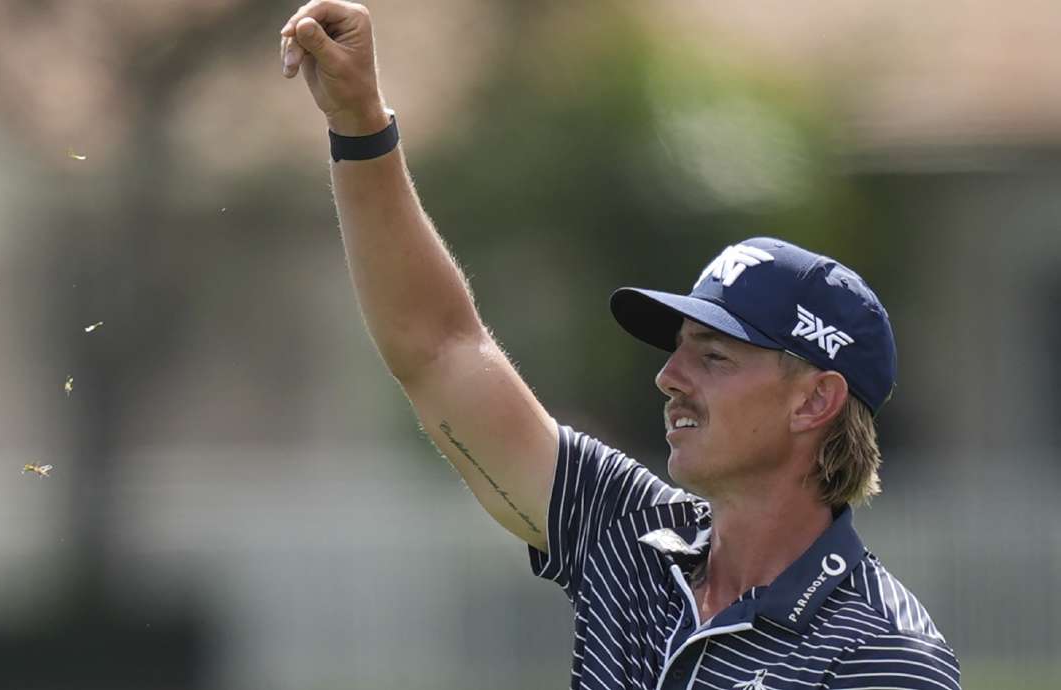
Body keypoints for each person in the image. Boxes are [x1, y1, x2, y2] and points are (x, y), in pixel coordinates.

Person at [278, 3, 961, 688]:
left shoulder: (884, 658)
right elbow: (438, 347)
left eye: (714, 355)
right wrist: (359, 123)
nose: (669, 376)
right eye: (679, 347)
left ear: (815, 399)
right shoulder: (629, 536)